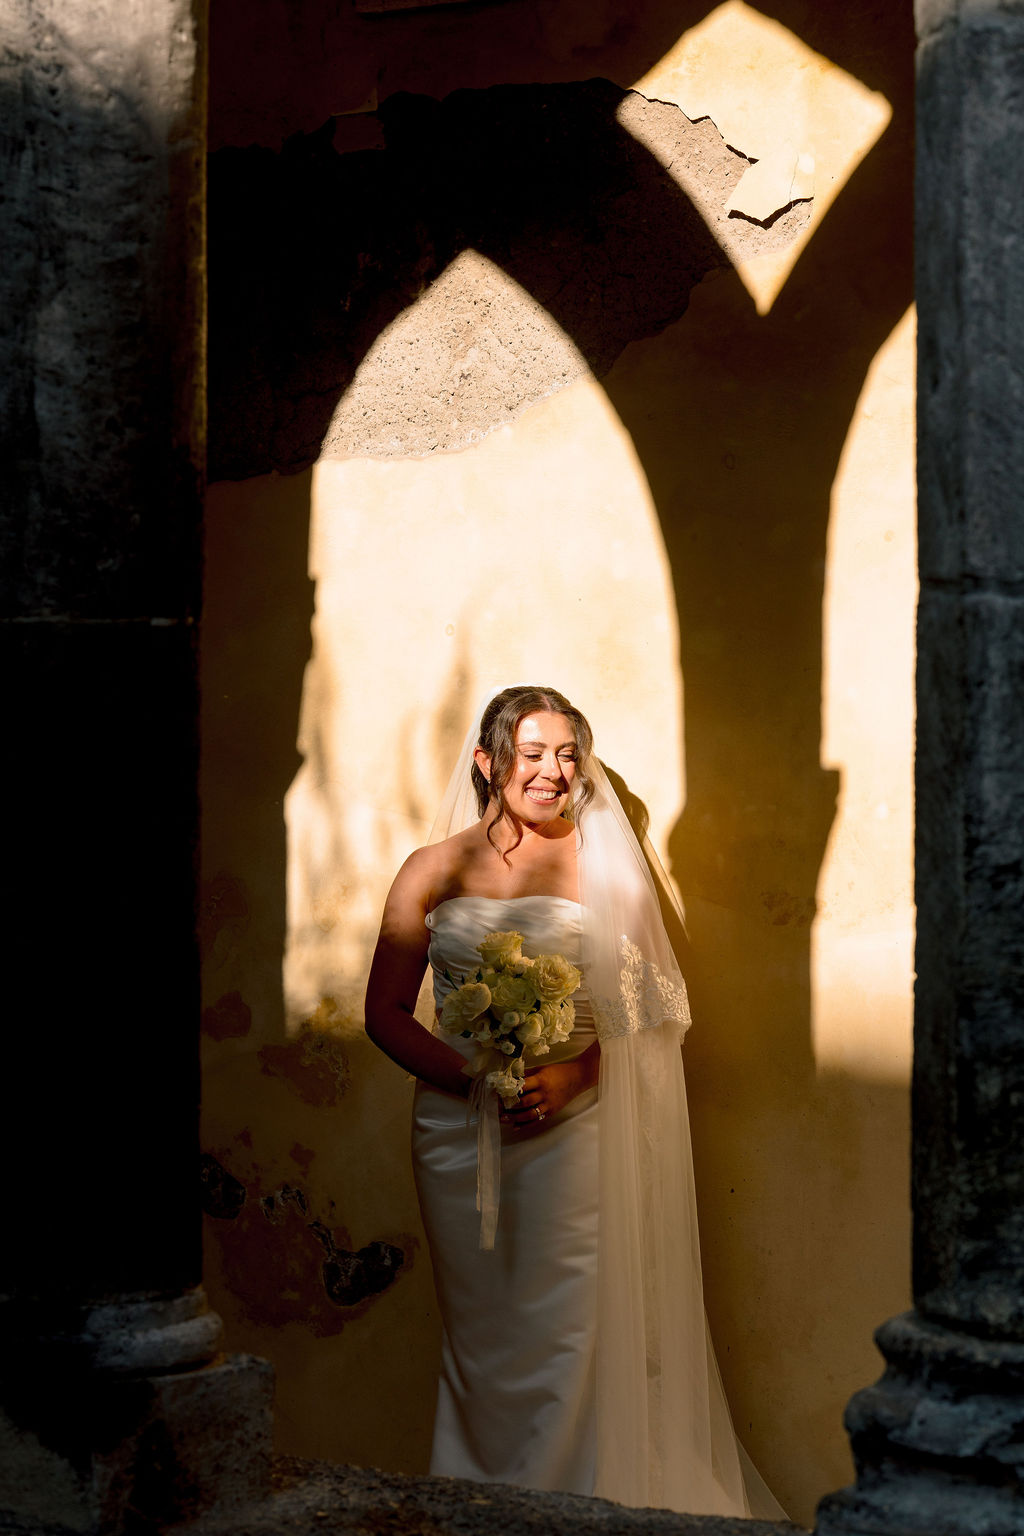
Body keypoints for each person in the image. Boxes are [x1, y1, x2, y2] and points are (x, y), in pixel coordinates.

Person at [365, 686, 782, 1519]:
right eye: (533, 754)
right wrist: (472, 1079)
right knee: (483, 1337)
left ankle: (578, 1507)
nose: (553, 773)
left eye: (566, 755)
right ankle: (485, 1505)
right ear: (488, 762)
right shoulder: (430, 868)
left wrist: (573, 1077)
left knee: (569, 1331)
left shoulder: (603, 867)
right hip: (457, 1132)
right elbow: (383, 1013)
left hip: (576, 1126)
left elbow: (649, 1010)